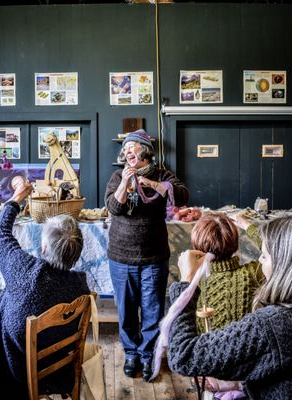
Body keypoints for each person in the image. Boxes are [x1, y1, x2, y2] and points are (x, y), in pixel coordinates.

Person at [0, 182, 90, 400]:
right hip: (56, 367)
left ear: (44, 248)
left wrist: (17, 197)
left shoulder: (25, 271)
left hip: (14, 366)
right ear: (77, 253)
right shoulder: (80, 286)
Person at [166, 216, 292, 399]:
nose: (260, 259)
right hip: (245, 375)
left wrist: (185, 283)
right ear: (234, 245)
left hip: (210, 365)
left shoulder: (268, 324)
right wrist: (250, 228)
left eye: (264, 256)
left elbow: (182, 356)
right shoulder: (252, 274)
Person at [104, 129, 189, 381]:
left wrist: (150, 184)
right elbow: (113, 207)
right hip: (121, 257)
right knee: (127, 310)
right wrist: (124, 183)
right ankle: (131, 353)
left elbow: (182, 196)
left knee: (152, 310)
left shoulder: (163, 174)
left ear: (145, 151)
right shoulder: (118, 175)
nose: (127, 150)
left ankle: (147, 354)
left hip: (153, 257)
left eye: (132, 146)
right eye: (125, 147)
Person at [189, 212, 263, 333]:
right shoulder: (252, 274)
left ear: (197, 246)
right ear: (235, 243)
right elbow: (278, 252)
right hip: (244, 348)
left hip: (204, 349)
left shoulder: (192, 280)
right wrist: (247, 225)